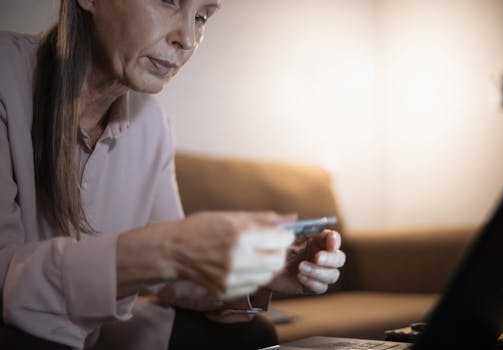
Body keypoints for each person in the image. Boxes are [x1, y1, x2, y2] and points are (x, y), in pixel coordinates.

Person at [0, 0, 346, 349]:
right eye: (168, 1)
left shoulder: (152, 123)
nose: (188, 39)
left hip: (93, 334)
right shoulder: (5, 74)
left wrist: (256, 273)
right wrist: (166, 249)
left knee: (252, 336)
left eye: (200, 16)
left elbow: (174, 278)